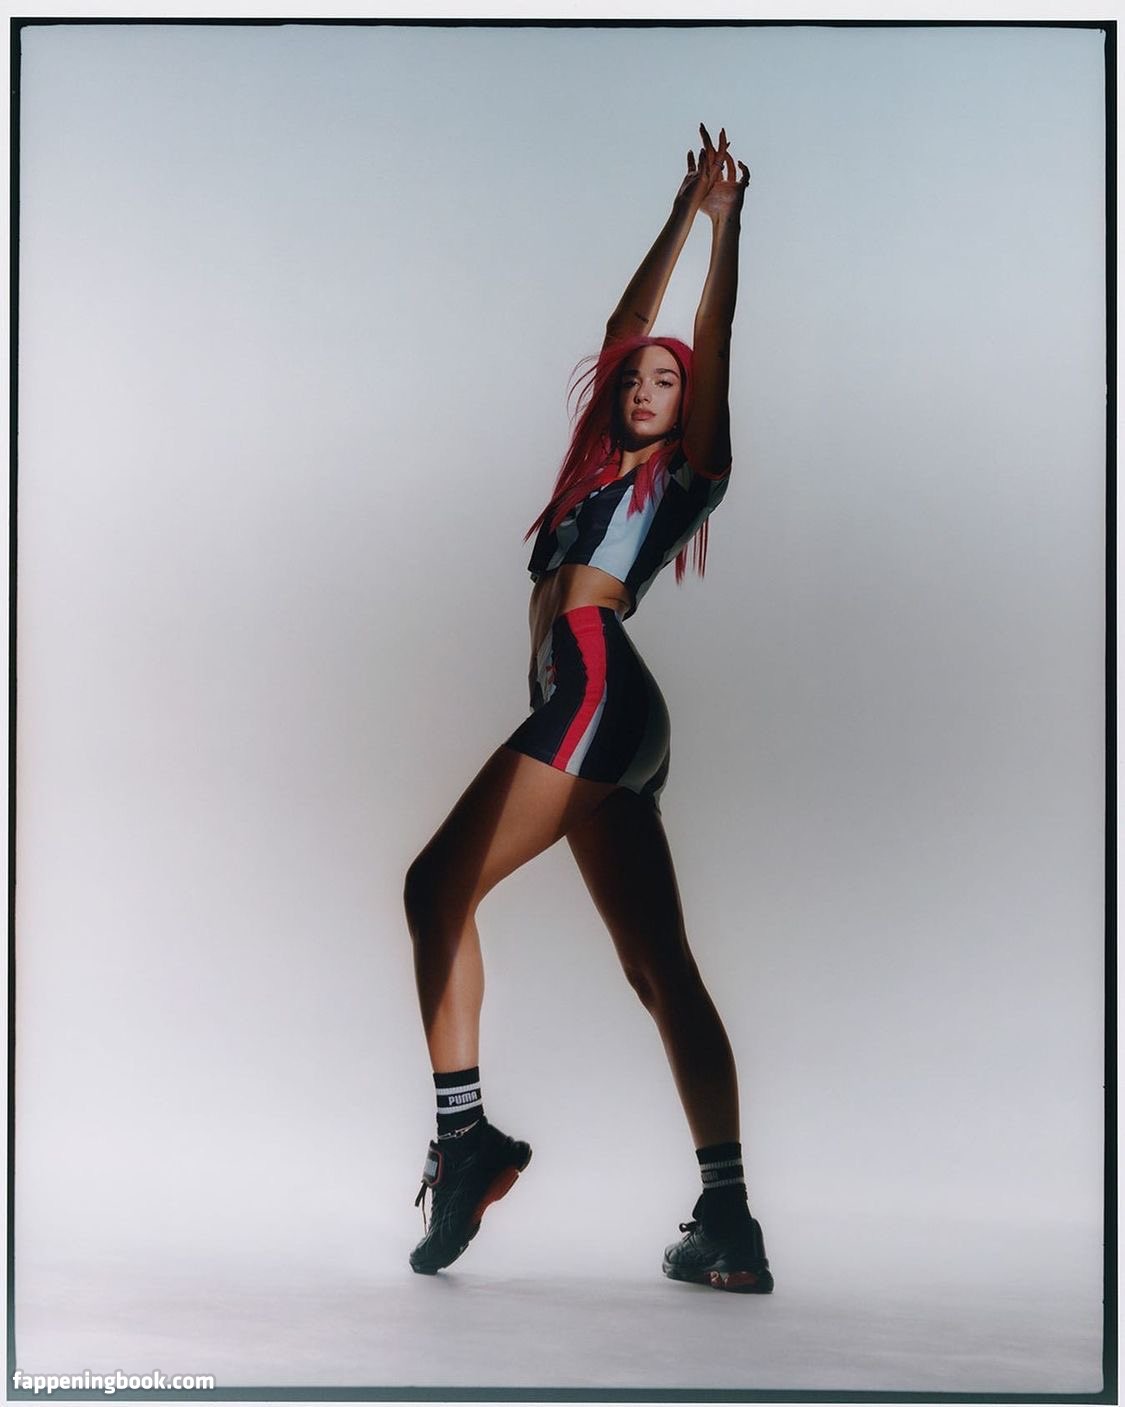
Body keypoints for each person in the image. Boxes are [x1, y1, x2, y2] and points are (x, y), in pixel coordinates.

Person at [403, 124, 771, 1294]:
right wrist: (676, 210)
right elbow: (625, 324)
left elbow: (706, 339)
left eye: (669, 381)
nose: (648, 385)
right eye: (635, 378)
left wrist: (725, 229)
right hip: (603, 709)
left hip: (598, 681)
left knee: (434, 888)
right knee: (658, 966)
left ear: (691, 404)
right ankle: (730, 1222)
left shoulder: (684, 474)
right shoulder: (590, 472)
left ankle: (466, 1142)